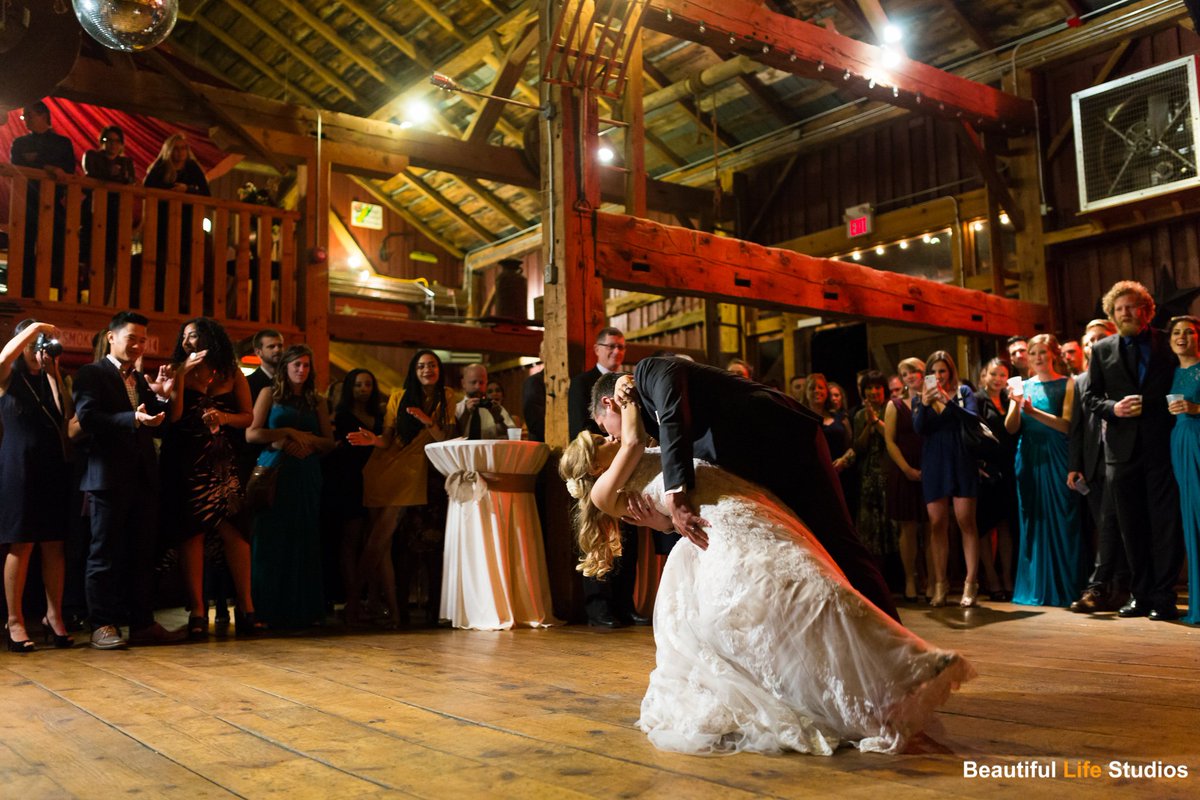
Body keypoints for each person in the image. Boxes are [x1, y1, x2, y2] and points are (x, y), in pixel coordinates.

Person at [561, 380, 972, 755]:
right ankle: (892, 673)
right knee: (798, 596)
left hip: (737, 508)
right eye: (599, 442)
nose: (608, 437)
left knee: (813, 579)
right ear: (593, 466)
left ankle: (887, 678)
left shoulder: (632, 462)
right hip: (717, 531)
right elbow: (632, 441)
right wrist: (627, 396)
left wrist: (662, 518)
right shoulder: (603, 489)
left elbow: (664, 503)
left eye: (604, 431)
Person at [594, 357, 899, 622]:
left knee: (838, 539)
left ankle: (893, 633)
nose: (614, 439)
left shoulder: (650, 371)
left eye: (605, 428)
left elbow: (674, 414)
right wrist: (659, 521)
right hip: (761, 468)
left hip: (786, 437)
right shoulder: (656, 435)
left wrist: (675, 494)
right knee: (811, 547)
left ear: (609, 403)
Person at [73, 311, 182, 649]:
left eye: (141, 340)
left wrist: (164, 396)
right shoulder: (92, 373)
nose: (137, 345)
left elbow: (160, 425)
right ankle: (102, 625)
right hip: (107, 477)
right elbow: (88, 418)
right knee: (103, 553)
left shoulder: (138, 378)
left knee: (141, 554)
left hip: (143, 478)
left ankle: (142, 623)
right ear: (111, 337)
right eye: (131, 338)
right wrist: (132, 418)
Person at [1083, 281, 1183, 621]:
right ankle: (1140, 596)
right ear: (1112, 315)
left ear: (1148, 310)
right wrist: (1114, 408)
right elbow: (1091, 398)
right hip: (1120, 453)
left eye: (1133, 307)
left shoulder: (1166, 343)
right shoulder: (1102, 350)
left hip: (1163, 445)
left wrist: (1151, 404)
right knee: (1131, 527)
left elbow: (1180, 385)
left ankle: (1164, 596)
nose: (1126, 312)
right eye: (1120, 308)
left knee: (1165, 525)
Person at [160, 318, 261, 637]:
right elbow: (173, 418)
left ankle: (246, 608)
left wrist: (225, 417)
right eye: (185, 336)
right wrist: (180, 375)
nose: (189, 341)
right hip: (186, 460)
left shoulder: (232, 372)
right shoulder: (177, 369)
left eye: (196, 335)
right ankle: (198, 613)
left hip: (222, 464)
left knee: (236, 533)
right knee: (192, 534)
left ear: (211, 338)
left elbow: (248, 417)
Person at [348, 350, 454, 626]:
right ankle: (373, 607)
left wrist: (426, 419)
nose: (426, 370)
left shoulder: (447, 397)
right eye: (420, 366)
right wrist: (372, 440)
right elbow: (387, 439)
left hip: (416, 471)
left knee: (381, 539)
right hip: (388, 465)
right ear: (413, 371)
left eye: (431, 365)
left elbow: (447, 437)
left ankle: (362, 606)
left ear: (439, 369)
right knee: (378, 542)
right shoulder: (399, 395)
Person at [246, 344, 334, 629]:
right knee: (271, 538)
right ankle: (266, 610)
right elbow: (252, 433)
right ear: (286, 367)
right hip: (276, 471)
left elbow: (329, 442)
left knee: (305, 538)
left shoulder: (317, 401)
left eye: (306, 365)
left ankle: (304, 610)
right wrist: (285, 433)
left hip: (305, 471)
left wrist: (306, 442)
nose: (301, 370)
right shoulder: (269, 394)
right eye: (296, 365)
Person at [0, 320, 75, 652]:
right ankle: (14, 620)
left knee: (54, 543)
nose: (37, 349)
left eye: (41, 343)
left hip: (51, 465)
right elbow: (3, 359)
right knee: (22, 543)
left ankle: (53, 615)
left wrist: (55, 371)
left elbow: (67, 418)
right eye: (32, 344)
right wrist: (32, 330)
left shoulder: (49, 378)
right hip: (19, 465)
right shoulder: (8, 377)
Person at [569, 327, 642, 628]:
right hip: (599, 464)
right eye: (611, 346)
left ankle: (626, 604)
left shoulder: (628, 383)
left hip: (628, 465)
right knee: (597, 538)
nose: (617, 352)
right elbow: (579, 428)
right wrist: (609, 449)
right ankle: (598, 607)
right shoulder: (582, 382)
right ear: (597, 349)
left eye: (622, 347)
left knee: (630, 535)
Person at [1004, 335, 1085, 607]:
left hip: (1058, 455)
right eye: (1033, 353)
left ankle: (1067, 588)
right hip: (1029, 457)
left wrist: (1033, 410)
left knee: (1065, 520)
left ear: (1053, 355)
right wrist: (1016, 403)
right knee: (1033, 523)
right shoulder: (1022, 386)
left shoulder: (1068, 383)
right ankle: (1035, 587)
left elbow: (1066, 425)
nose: (1037, 357)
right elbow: (1011, 428)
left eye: (1042, 352)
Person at [1067, 319, 1128, 614]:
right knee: (1104, 526)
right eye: (1089, 340)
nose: (1095, 345)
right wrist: (1074, 466)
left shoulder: (1122, 374)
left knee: (1123, 526)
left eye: (1101, 338)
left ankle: (1113, 586)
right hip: (1092, 463)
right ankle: (1106, 588)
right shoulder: (1079, 382)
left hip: (1123, 459)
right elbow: (1077, 428)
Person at [913, 351, 981, 608]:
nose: (939, 376)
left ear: (950, 371)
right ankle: (939, 584)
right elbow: (919, 428)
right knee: (937, 522)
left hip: (961, 459)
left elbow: (972, 419)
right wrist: (928, 403)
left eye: (943, 371)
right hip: (934, 461)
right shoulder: (921, 398)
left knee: (966, 520)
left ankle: (970, 583)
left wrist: (947, 400)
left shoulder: (963, 392)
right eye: (934, 372)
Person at [322, 368, 384, 615]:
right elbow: (334, 450)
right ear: (350, 388)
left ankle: (375, 598)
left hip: (378, 478)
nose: (363, 389)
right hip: (349, 481)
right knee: (351, 541)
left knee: (376, 541)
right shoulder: (341, 415)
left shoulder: (380, 415)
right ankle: (353, 598)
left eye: (368, 384)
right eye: (358, 385)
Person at [9, 100, 76, 296]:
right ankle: (25, 293)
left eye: (28, 116)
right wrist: (48, 168)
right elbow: (17, 167)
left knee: (56, 249)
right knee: (25, 249)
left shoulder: (63, 143)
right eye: (24, 116)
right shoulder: (19, 143)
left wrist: (42, 165)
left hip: (53, 204)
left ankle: (49, 293)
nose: (25, 120)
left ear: (43, 115)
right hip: (26, 204)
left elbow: (69, 171)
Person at [143, 133, 211, 312]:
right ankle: (157, 302)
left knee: (185, 264)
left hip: (188, 225)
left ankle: (181, 304)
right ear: (169, 150)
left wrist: (187, 189)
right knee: (160, 262)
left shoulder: (192, 168)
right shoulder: (161, 167)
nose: (180, 152)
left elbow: (206, 193)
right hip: (162, 224)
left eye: (183, 148)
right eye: (176, 148)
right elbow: (148, 188)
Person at [884, 358, 928, 602]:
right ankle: (910, 580)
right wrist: (907, 469)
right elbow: (889, 441)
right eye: (905, 373)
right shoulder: (895, 405)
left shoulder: (931, 400)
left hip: (930, 467)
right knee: (908, 527)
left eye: (914, 372)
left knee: (933, 526)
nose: (910, 376)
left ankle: (932, 580)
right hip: (904, 469)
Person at [1166, 315, 1200, 625]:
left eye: (1189, 331)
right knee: (1190, 518)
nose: (1182, 337)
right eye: (1176, 332)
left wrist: (1196, 408)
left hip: (1199, 438)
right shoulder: (1172, 373)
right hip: (1180, 441)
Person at [973, 359, 1016, 602]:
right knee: (985, 527)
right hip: (986, 469)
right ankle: (992, 579)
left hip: (1008, 467)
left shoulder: (1010, 400)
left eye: (1002, 374)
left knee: (1006, 526)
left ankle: (1007, 578)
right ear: (984, 375)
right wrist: (977, 464)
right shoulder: (977, 399)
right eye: (993, 374)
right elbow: (971, 433)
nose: (998, 378)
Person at [852, 371, 896, 586]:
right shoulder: (860, 415)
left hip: (890, 474)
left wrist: (876, 421)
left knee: (893, 526)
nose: (873, 391)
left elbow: (893, 439)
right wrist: (868, 425)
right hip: (868, 476)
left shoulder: (892, 408)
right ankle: (875, 580)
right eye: (869, 388)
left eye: (877, 387)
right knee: (870, 530)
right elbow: (858, 447)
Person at [455, 363, 516, 439]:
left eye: (481, 383)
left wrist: (498, 419)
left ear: (486, 383)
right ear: (463, 383)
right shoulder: (456, 410)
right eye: (473, 382)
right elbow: (450, 438)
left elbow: (511, 437)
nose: (477, 387)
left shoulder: (494, 407)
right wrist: (465, 414)